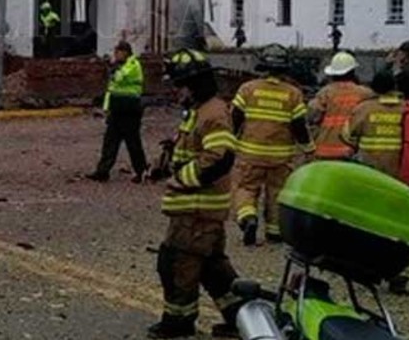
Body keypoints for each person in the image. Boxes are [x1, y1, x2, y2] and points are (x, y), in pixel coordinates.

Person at [149, 49, 243, 339]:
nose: (176, 91)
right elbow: (195, 151)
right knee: (212, 269)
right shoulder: (200, 111)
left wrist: (183, 178)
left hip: (197, 211)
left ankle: (178, 323)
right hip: (199, 211)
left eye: (179, 85)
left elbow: (221, 156)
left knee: (176, 264)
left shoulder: (212, 113)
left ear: (195, 84)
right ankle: (243, 318)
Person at [230, 45, 312, 246]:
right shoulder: (293, 94)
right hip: (281, 157)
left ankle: (248, 218)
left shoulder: (248, 89)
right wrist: (309, 149)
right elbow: (299, 126)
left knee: (245, 188)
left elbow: (235, 118)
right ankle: (274, 232)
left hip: (250, 153)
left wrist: (229, 141)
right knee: (277, 193)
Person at [348, 69, 409, 295]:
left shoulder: (364, 109)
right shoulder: (408, 109)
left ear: (374, 88)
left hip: (371, 177)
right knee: (399, 226)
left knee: (368, 223)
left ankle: (368, 268)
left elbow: (346, 137)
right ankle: (399, 274)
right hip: (402, 178)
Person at [86, 41, 147, 183]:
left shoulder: (133, 65)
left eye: (118, 52)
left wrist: (113, 68)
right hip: (117, 109)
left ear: (125, 52)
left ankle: (142, 171)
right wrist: (107, 109)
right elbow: (111, 90)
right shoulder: (122, 66)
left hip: (130, 110)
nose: (116, 55)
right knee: (109, 142)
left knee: (133, 143)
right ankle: (102, 172)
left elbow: (119, 77)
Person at [307, 51, 373, 160]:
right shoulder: (365, 94)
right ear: (353, 71)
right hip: (352, 152)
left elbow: (311, 115)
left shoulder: (325, 93)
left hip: (325, 151)